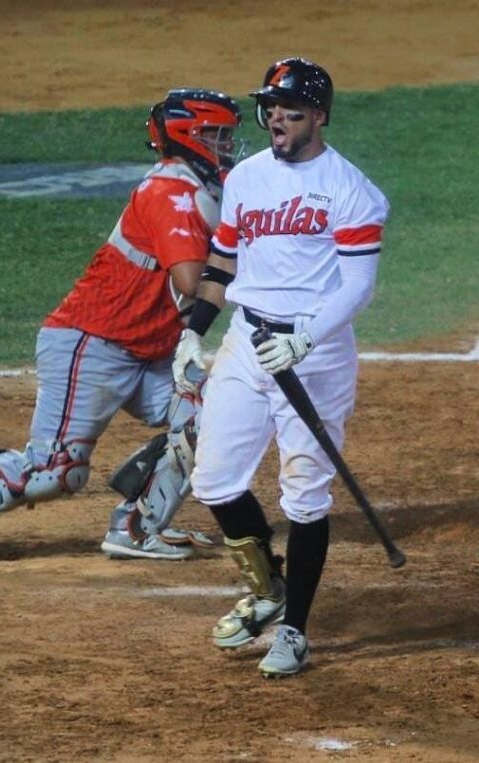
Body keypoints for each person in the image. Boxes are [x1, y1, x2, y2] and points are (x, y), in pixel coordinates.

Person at [0, 89, 245, 566]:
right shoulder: (168, 192)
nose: (226, 146)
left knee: (211, 410)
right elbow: (191, 281)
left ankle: (138, 526)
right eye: (216, 135)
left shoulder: (205, 191)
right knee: (57, 471)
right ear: (187, 138)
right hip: (92, 342)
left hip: (150, 351)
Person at [173, 58, 389, 677]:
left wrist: (304, 336)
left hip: (314, 356)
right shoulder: (245, 178)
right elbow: (222, 264)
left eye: (291, 112)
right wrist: (193, 334)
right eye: (271, 109)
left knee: (305, 494)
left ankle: (294, 628)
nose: (276, 121)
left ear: (318, 117)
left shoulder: (350, 189)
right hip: (246, 342)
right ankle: (268, 588)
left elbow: (358, 287)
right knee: (214, 479)